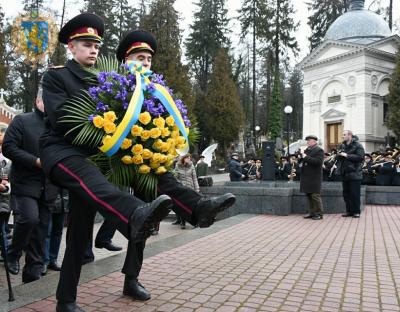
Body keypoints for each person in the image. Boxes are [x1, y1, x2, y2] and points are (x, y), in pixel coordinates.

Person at [42, 18, 235, 312]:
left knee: (156, 188)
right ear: (71, 46)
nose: (93, 50)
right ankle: (66, 299)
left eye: (96, 45)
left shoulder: (106, 79)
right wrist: (109, 133)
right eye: (86, 44)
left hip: (112, 153)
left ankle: (197, 208)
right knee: (80, 230)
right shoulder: (58, 77)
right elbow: (62, 119)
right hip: (75, 153)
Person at [2, 88, 51, 283]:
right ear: (37, 100)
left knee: (40, 233)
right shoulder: (23, 121)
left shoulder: (57, 125)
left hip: (48, 186)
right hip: (25, 183)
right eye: (46, 99)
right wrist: (35, 161)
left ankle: (32, 276)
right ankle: (12, 254)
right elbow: (8, 148)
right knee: (29, 219)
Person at [335, 130, 365, 218]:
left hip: (355, 173)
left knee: (355, 194)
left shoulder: (358, 145)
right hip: (345, 173)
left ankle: (356, 212)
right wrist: (338, 155)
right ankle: (349, 211)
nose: (342, 136)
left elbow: (360, 157)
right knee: (346, 194)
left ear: (350, 135)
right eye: (343, 135)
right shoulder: (342, 145)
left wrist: (347, 155)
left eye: (344, 135)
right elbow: (339, 157)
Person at [300, 135, 324, 220]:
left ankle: (319, 214)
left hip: (314, 177)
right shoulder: (307, 150)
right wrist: (300, 157)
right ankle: (312, 212)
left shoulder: (319, 150)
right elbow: (304, 161)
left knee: (315, 196)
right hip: (307, 176)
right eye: (307, 140)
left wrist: (305, 157)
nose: (307, 142)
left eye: (309, 140)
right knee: (309, 195)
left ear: (314, 141)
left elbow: (317, 162)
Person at [174, 154, 200, 229]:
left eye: (189, 158)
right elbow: (175, 178)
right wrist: (179, 185)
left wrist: (197, 188)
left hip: (190, 188)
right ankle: (183, 222)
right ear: (183, 158)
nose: (189, 159)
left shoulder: (192, 166)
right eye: (187, 158)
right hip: (182, 189)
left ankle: (195, 222)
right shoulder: (177, 166)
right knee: (182, 206)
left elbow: (194, 178)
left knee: (193, 206)